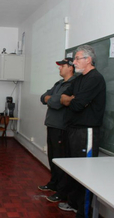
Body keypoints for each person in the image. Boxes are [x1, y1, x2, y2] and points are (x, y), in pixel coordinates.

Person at [59, 45, 106, 218]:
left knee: (85, 172)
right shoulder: (79, 79)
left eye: (78, 58)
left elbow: (77, 105)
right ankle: (73, 203)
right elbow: (63, 97)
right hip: (73, 129)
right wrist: (71, 99)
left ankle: (84, 212)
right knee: (73, 169)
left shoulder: (95, 78)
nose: (74, 62)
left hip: (86, 132)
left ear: (89, 59)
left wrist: (72, 100)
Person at [38, 58, 76, 203]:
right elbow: (43, 97)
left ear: (71, 68)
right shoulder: (58, 84)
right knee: (52, 157)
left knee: (60, 159)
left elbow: (60, 103)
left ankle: (61, 191)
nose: (59, 68)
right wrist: (54, 98)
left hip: (62, 127)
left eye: (62, 66)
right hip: (52, 125)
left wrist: (52, 99)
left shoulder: (73, 84)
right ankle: (53, 183)